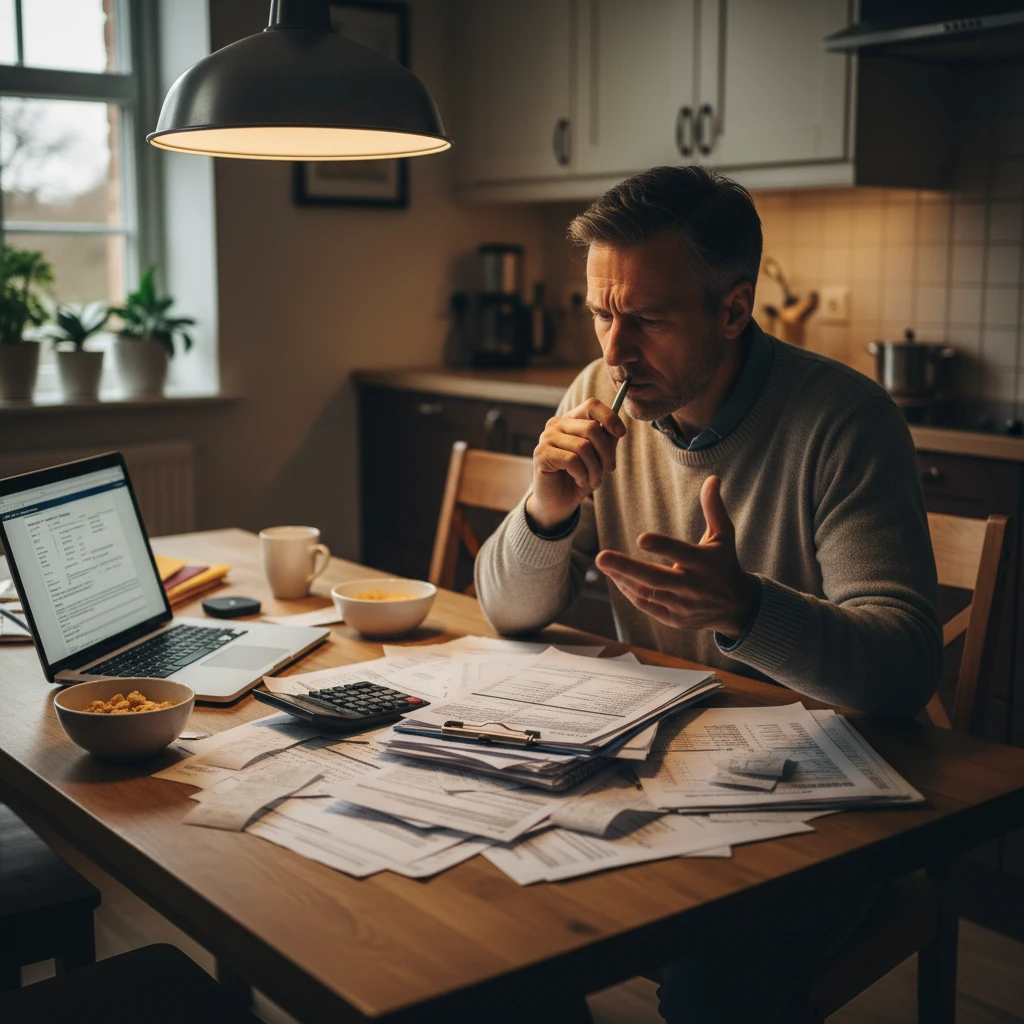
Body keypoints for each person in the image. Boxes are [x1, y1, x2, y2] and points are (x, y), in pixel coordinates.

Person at [474, 166, 942, 1023]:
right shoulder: (595, 392)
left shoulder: (845, 418)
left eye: (646, 319)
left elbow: (905, 668)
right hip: (658, 776)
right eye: (600, 313)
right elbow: (506, 611)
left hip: (825, 811)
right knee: (486, 916)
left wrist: (746, 611)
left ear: (732, 310)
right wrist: (548, 503)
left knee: (706, 993)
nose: (613, 351)